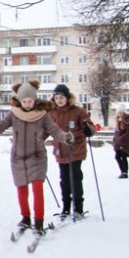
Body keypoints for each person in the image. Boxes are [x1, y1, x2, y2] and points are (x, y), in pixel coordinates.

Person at [0, 80, 73, 235]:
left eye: (30, 101)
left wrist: (65, 137)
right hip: (18, 157)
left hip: (37, 157)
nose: (27, 104)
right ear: (20, 101)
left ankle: (39, 221)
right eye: (24, 101)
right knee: (21, 189)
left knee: (37, 189)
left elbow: (54, 131)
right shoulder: (13, 114)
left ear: (34, 100)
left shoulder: (43, 114)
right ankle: (26, 218)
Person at [46, 84, 96, 219]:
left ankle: (78, 208)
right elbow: (46, 130)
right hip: (60, 150)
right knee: (64, 180)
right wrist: (36, 139)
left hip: (76, 149)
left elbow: (89, 125)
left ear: (67, 98)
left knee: (75, 178)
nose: (59, 100)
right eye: (56, 98)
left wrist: (89, 129)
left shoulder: (78, 111)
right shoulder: (51, 113)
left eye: (61, 97)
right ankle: (66, 207)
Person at [113, 103, 129, 179]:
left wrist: (121, 138)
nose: (119, 114)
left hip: (125, 142)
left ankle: (125, 172)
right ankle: (122, 171)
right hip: (119, 142)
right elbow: (117, 131)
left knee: (123, 156)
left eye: (121, 112)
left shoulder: (127, 119)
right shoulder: (118, 120)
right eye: (118, 112)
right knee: (117, 156)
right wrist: (115, 139)